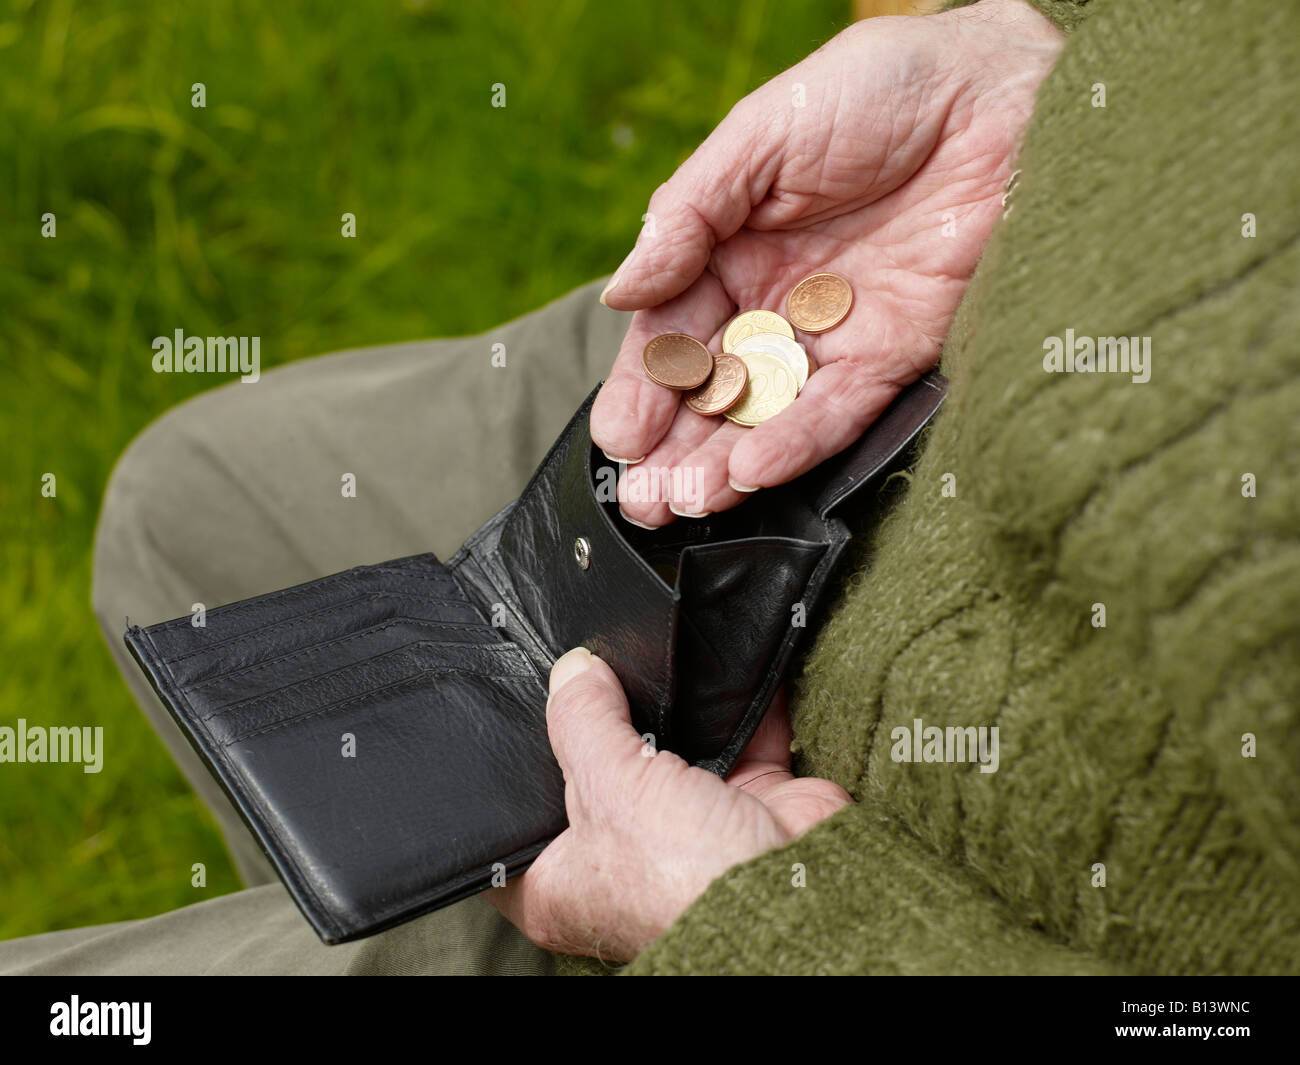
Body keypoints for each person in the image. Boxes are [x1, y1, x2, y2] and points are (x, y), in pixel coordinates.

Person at [2, 0, 1296, 975]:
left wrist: (759, 927)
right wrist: (1049, 52)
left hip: (852, 851)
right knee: (191, 498)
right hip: (926, 313)